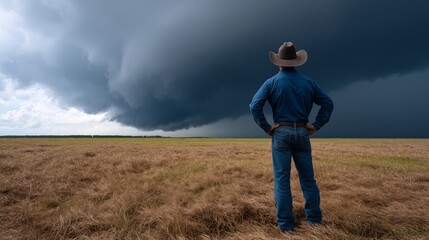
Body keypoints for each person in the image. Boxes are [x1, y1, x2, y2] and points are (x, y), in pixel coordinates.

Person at [249, 42, 334, 232]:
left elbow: (254, 106)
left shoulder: (271, 82)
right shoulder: (308, 82)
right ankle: (314, 221)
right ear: (296, 62)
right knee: (308, 179)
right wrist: (316, 125)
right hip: (303, 133)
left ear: (278, 62)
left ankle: (286, 226)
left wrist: (267, 128)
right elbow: (328, 103)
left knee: (282, 179)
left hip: (281, 133)